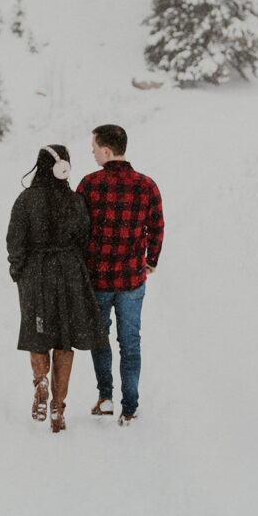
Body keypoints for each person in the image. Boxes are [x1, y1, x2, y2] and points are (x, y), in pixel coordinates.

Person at [6, 144, 108, 433]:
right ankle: (58, 406)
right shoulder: (75, 201)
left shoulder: (25, 200)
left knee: (38, 333)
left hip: (35, 274)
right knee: (64, 339)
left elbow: (15, 241)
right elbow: (85, 238)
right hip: (69, 271)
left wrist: (19, 271)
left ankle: (40, 379)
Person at [76, 124, 165, 426]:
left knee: (100, 339)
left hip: (98, 280)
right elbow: (157, 226)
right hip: (131, 281)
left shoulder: (89, 185)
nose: (91, 152)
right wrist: (150, 259)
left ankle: (105, 397)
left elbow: (78, 229)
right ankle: (129, 407)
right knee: (130, 343)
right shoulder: (147, 185)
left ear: (106, 151)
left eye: (93, 147)